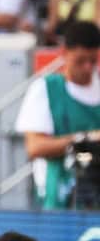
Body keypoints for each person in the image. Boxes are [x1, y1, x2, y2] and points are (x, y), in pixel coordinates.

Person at [14, 21, 100, 209]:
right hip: (59, 193)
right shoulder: (45, 89)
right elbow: (35, 146)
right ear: (64, 53)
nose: (87, 67)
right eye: (80, 60)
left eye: (93, 60)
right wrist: (86, 140)